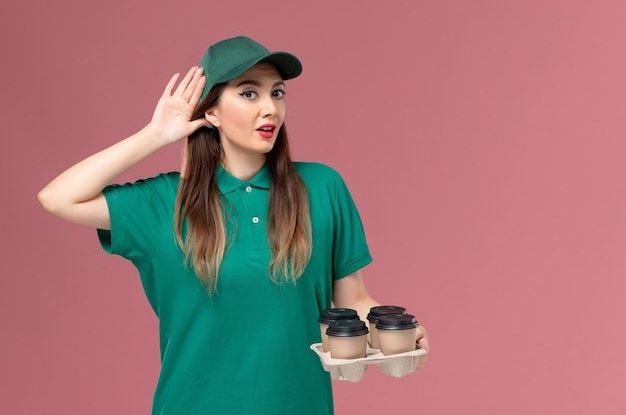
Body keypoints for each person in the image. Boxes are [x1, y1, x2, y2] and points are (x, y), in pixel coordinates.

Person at [38, 36, 429, 415]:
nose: (270, 109)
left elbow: (352, 301)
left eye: (277, 93)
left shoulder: (323, 187)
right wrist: (155, 135)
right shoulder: (163, 202)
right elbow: (58, 198)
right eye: (248, 93)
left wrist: (396, 330)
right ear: (211, 112)